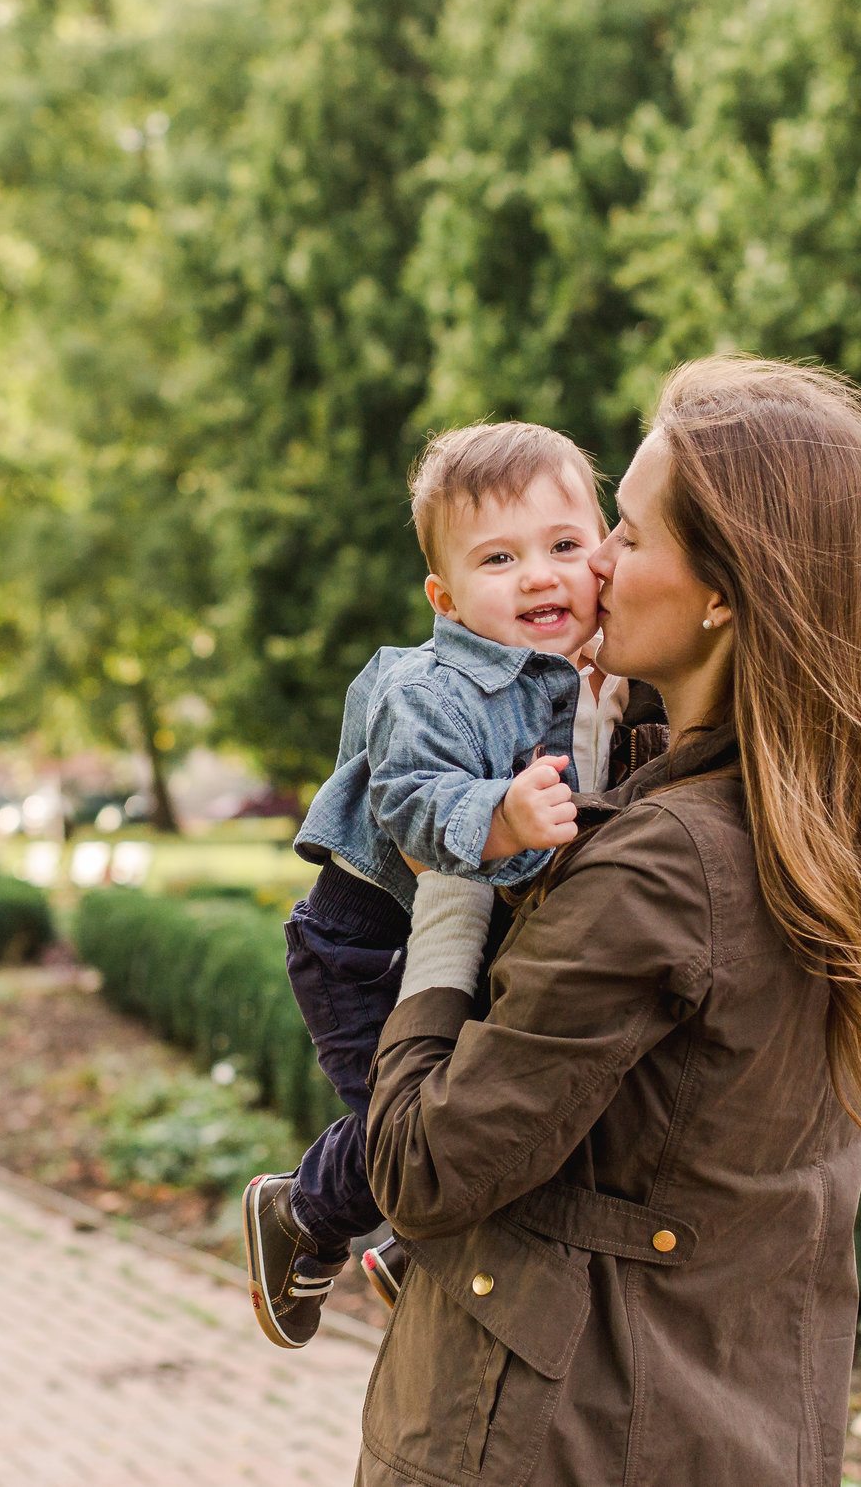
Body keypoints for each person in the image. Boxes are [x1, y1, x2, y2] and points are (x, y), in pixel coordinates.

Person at [356, 357, 861, 1486]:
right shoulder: (823, 821)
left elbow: (421, 1165)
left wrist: (449, 891)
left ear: (721, 591)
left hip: (554, 1441)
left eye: (623, 531)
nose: (592, 563)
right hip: (731, 1424)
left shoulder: (668, 860)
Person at [243, 421, 662, 1350]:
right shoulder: (425, 686)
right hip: (366, 948)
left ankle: (409, 1247)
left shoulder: (608, 671)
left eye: (564, 545)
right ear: (446, 596)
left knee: (493, 1103)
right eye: (500, 558)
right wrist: (499, 818)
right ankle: (302, 1215)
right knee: (412, 1128)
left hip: (480, 939)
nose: (541, 576)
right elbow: (412, 797)